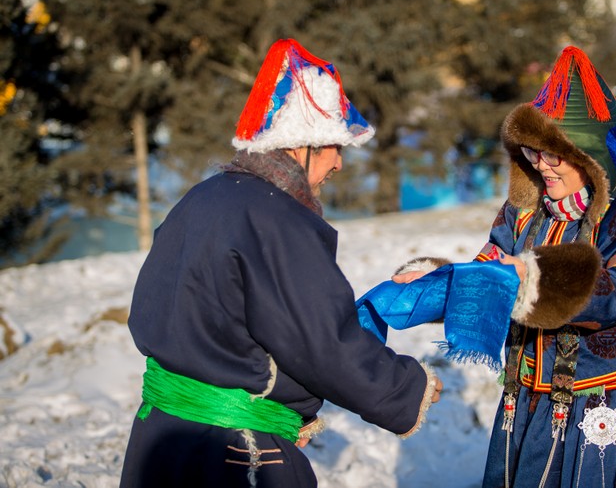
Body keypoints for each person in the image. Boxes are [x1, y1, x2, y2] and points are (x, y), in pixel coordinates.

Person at [391, 46, 616, 487]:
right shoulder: (527, 209)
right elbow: (489, 275)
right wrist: (435, 282)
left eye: (555, 154)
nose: (542, 167)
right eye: (532, 152)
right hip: (531, 409)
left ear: (592, 155)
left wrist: (532, 280)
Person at [119, 38, 442, 488]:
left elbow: (199, 317)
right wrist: (406, 388)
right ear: (303, 144)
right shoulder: (279, 220)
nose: (339, 164)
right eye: (334, 147)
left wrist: (284, 402)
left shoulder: (204, 196)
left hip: (160, 443)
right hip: (234, 453)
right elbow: (321, 341)